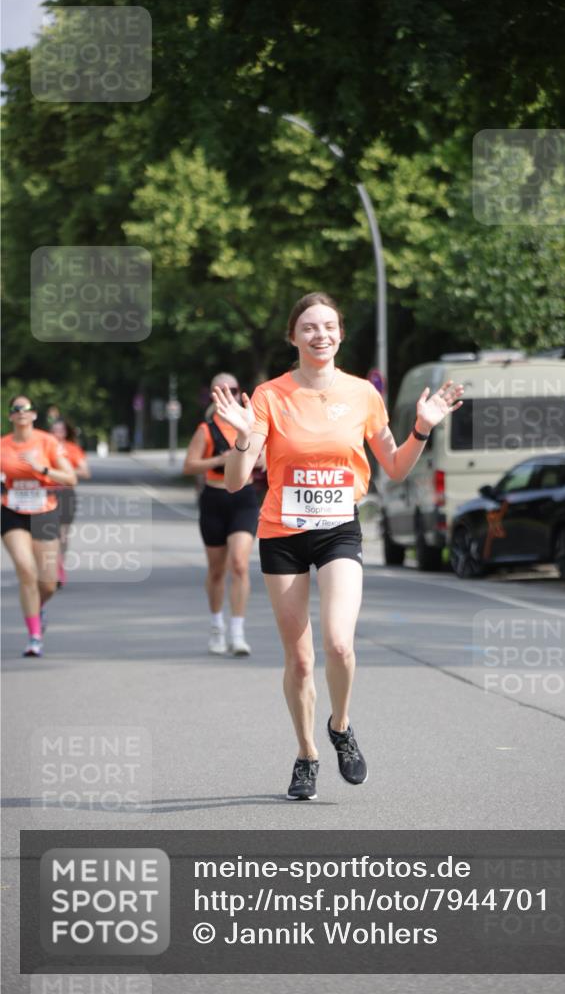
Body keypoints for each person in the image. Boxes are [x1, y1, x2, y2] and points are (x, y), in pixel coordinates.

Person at [213, 292, 464, 800]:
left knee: (340, 644)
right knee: (300, 661)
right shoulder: (268, 396)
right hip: (282, 533)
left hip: (337, 530)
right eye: (308, 327)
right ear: (293, 337)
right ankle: (306, 753)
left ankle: (341, 726)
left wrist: (422, 428)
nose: (319, 335)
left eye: (328, 326)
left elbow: (393, 467)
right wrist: (242, 439)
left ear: (341, 335)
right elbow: (238, 481)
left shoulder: (363, 395)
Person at [183, 373, 263, 657]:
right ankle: (217, 626)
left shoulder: (252, 425)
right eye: (221, 389)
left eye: (232, 388)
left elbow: (265, 457)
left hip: (243, 498)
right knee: (217, 570)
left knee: (240, 564)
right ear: (212, 394)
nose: (227, 393)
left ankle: (238, 632)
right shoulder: (206, 429)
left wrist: (259, 458)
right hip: (214, 497)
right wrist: (219, 459)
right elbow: (189, 465)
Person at [1, 396, 77, 657]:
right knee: (26, 571)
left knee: (47, 583)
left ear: (34, 415)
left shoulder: (47, 442)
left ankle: (39, 607)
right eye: (15, 409)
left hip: (45, 512)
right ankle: (34, 637)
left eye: (26, 409)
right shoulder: (2, 445)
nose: (21, 412)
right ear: (10, 416)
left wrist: (41, 468)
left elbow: (71, 478)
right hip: (12, 512)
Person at [50, 418, 91, 588]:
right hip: (46, 494)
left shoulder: (73, 449)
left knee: (62, 534)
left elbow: (86, 472)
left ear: (66, 432)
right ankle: (47, 567)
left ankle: (59, 566)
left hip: (66, 494)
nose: (57, 433)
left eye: (60, 430)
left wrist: (65, 471)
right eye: (54, 430)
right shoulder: (44, 447)